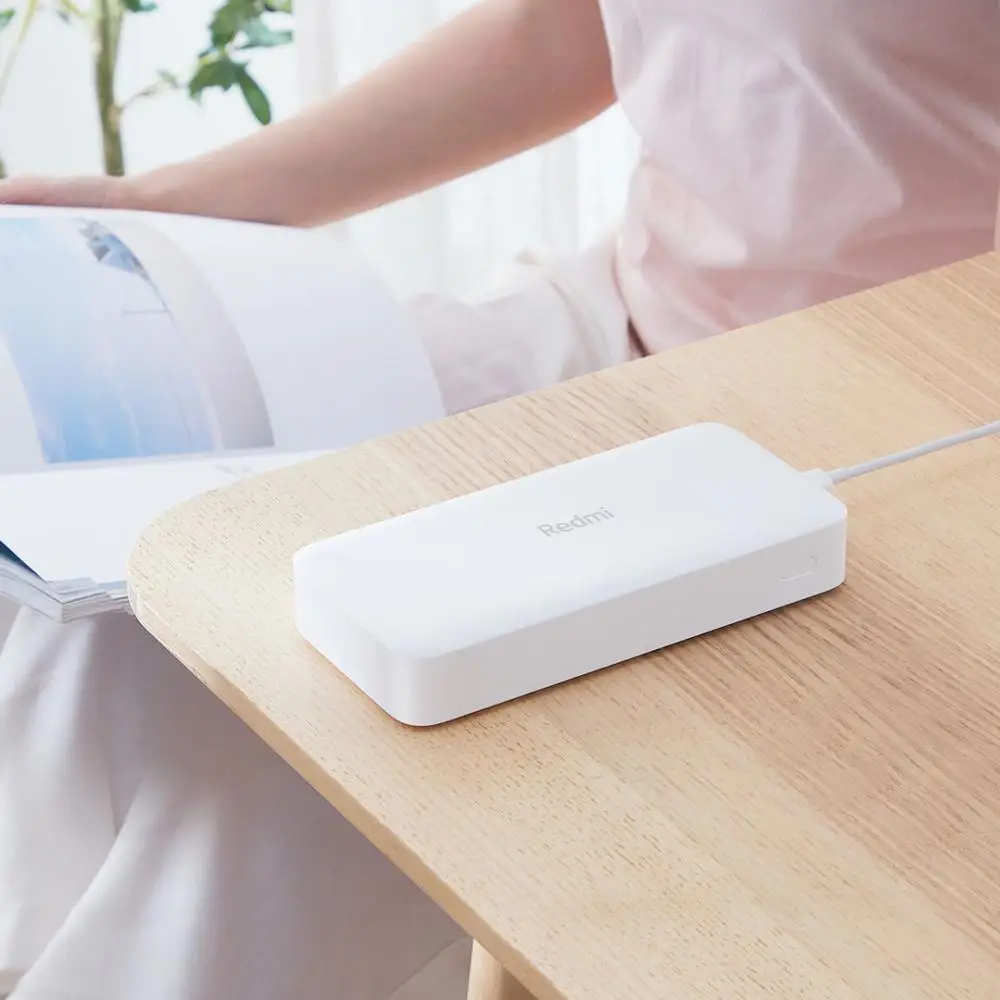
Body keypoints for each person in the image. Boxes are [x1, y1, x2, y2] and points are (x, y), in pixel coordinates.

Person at [0, 1, 996, 998]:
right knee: (124, 616)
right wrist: (159, 204)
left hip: (904, 432)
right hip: (625, 321)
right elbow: (569, 28)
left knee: (286, 752)